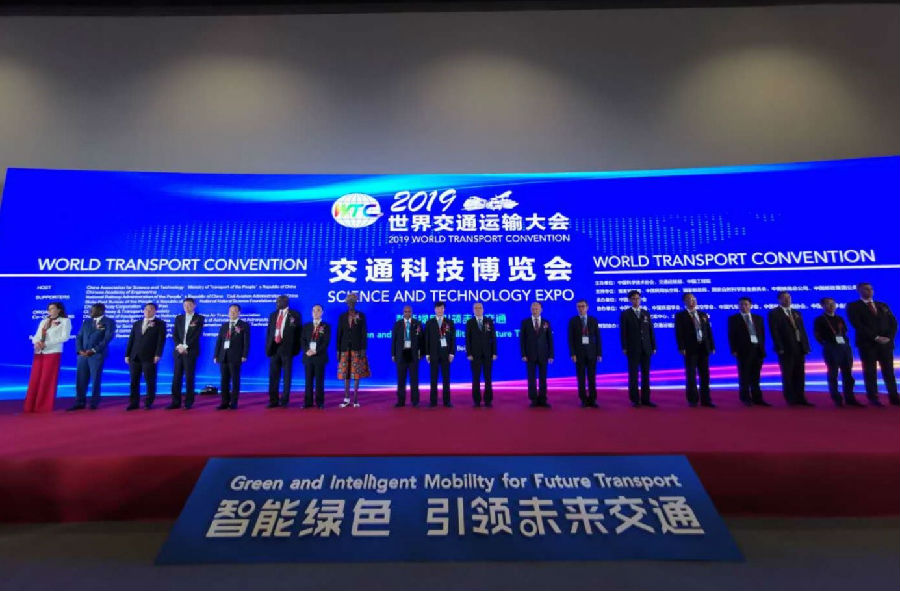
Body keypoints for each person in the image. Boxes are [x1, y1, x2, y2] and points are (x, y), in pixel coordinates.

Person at [846, 282, 899, 406]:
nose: (869, 291)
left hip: (886, 344)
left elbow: (893, 323)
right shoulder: (853, 306)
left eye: (870, 289)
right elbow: (858, 325)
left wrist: (889, 338)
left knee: (889, 371)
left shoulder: (882, 305)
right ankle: (873, 397)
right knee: (870, 372)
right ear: (859, 291)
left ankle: (894, 397)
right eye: (865, 289)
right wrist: (875, 337)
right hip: (867, 344)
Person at [24, 301, 72, 413]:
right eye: (48, 308)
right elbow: (37, 335)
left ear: (59, 310)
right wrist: (36, 343)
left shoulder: (65, 321)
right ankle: (30, 405)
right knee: (35, 379)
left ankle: (42, 406)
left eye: (52, 308)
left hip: (52, 352)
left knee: (47, 379)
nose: (49, 310)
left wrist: (46, 344)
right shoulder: (44, 321)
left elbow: (64, 337)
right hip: (39, 353)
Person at [813, 297, 861, 407]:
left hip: (844, 348)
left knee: (848, 374)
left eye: (833, 303)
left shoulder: (840, 318)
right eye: (828, 304)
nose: (831, 306)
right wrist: (827, 344)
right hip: (831, 348)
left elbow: (844, 332)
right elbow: (818, 335)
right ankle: (837, 398)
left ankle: (850, 398)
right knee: (833, 374)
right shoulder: (819, 319)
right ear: (823, 306)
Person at [768, 291, 813, 406]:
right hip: (786, 348)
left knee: (800, 374)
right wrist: (779, 347)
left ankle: (801, 397)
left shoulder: (796, 313)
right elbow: (774, 332)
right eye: (784, 298)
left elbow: (802, 331)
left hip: (799, 347)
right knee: (788, 374)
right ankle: (790, 398)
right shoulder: (774, 313)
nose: (787, 300)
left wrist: (806, 346)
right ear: (779, 300)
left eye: (789, 297)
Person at [69, 303, 115, 411]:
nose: (90, 312)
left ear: (100, 311)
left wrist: (94, 350)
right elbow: (79, 336)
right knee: (81, 379)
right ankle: (80, 402)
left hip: (97, 355)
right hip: (83, 355)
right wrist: (80, 350)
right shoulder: (87, 322)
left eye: (92, 310)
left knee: (95, 379)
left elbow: (107, 338)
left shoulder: (109, 322)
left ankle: (94, 402)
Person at [674, 293, 716, 408]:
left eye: (693, 299)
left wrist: (712, 346)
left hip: (703, 347)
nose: (692, 301)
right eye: (689, 299)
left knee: (705, 375)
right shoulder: (680, 316)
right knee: (691, 375)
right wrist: (681, 347)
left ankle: (706, 399)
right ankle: (692, 399)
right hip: (690, 348)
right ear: (684, 302)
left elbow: (708, 332)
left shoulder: (703, 315)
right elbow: (679, 333)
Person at [727, 297, 770, 406]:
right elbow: (731, 336)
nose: (743, 306)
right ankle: (745, 398)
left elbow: (762, 334)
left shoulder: (758, 318)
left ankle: (757, 398)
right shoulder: (734, 319)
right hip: (743, 351)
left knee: (756, 376)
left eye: (746, 304)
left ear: (750, 305)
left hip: (757, 350)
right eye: (741, 304)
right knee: (744, 376)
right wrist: (734, 349)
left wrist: (762, 348)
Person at [125, 302, 166, 410]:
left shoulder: (160, 324)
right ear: (143, 310)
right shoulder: (137, 323)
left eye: (151, 309)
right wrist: (127, 354)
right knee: (134, 381)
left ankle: (148, 402)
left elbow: (161, 341)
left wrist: (158, 354)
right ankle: (134, 403)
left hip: (150, 356)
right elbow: (131, 340)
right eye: (146, 309)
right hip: (135, 356)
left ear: (155, 311)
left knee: (150, 380)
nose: (148, 311)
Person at [619, 290, 656, 407]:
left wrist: (653, 346)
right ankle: (635, 399)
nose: (636, 300)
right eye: (634, 298)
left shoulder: (646, 313)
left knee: (646, 374)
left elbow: (650, 331)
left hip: (646, 348)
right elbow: (623, 332)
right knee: (633, 375)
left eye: (638, 298)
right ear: (630, 300)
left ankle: (646, 399)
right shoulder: (625, 314)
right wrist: (624, 347)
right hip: (633, 348)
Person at [265, 295, 302, 408]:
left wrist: (295, 349)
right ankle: (273, 400)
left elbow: (298, 334)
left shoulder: (295, 315)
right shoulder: (273, 315)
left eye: (279, 301)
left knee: (287, 377)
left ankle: (284, 400)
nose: (277, 303)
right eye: (276, 301)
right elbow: (269, 332)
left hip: (287, 349)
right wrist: (268, 347)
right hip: (274, 348)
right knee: (273, 376)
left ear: (286, 302)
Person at [168, 297, 204, 410]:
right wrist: (179, 346)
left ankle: (189, 402)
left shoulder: (199, 318)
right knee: (176, 377)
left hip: (190, 351)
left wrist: (185, 346)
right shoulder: (179, 318)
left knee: (189, 377)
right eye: (185, 305)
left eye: (189, 305)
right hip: (178, 351)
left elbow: (197, 335)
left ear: (194, 306)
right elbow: (175, 334)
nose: (187, 307)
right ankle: (175, 402)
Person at [337, 292, 370, 408]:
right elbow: (339, 334)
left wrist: (363, 348)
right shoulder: (342, 317)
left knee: (356, 374)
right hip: (344, 349)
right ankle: (346, 399)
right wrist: (338, 350)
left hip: (357, 349)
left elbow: (363, 333)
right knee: (346, 374)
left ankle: (355, 399)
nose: (351, 303)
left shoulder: (361, 316)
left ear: (356, 303)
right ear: (346, 303)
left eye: (353, 301)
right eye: (349, 301)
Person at [213, 304, 249, 410]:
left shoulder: (244, 325)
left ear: (239, 313)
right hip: (223, 356)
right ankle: (224, 402)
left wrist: (244, 355)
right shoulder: (224, 326)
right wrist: (216, 355)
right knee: (224, 380)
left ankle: (233, 403)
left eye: (235, 311)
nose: (232, 313)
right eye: (230, 311)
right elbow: (219, 341)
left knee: (235, 380)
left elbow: (246, 342)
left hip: (236, 356)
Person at [568, 299, 602, 408]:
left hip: (592, 353)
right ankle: (583, 399)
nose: (581, 308)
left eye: (583, 306)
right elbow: (570, 339)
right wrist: (573, 354)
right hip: (579, 354)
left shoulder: (593, 320)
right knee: (581, 378)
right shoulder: (573, 321)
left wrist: (599, 353)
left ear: (587, 307)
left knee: (592, 377)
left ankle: (592, 399)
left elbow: (598, 337)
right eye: (579, 306)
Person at [520, 301, 554, 408]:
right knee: (531, 378)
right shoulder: (525, 322)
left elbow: (550, 340)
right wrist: (523, 354)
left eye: (537, 308)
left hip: (543, 354)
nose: (535, 310)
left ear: (541, 310)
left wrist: (551, 355)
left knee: (543, 378)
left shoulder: (546, 323)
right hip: (530, 354)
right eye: (533, 308)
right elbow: (522, 340)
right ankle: (533, 399)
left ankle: (543, 399)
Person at [391, 305, 424, 407]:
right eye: (405, 311)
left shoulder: (417, 324)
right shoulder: (398, 324)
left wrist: (422, 353)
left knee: (414, 379)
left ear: (411, 312)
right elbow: (394, 340)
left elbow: (421, 340)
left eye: (409, 311)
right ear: (403, 313)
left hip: (413, 354)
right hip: (401, 354)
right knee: (401, 379)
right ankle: (401, 401)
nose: (407, 313)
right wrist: (393, 354)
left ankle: (415, 401)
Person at [466, 302, 497, 407]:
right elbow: (467, 339)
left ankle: (488, 400)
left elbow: (493, 338)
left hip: (488, 354)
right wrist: (469, 353)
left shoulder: (489, 321)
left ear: (483, 309)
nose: (478, 309)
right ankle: (477, 400)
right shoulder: (470, 322)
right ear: (473, 310)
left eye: (480, 308)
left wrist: (494, 352)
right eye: (476, 308)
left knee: (488, 377)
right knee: (476, 378)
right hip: (474, 355)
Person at [424, 301, 455, 407]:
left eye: (441, 308)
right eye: (437, 308)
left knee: (446, 378)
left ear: (444, 309)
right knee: (433, 378)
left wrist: (452, 353)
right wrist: (427, 354)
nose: (439, 310)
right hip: (433, 354)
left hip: (446, 354)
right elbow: (426, 339)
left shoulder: (449, 322)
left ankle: (447, 401)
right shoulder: (429, 323)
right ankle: (433, 401)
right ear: (435, 310)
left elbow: (453, 339)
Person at [301, 304, 330, 409]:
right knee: (308, 381)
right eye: (314, 310)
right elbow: (302, 340)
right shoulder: (306, 326)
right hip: (308, 357)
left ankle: (320, 402)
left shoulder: (326, 326)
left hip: (320, 357)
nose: (315, 312)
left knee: (319, 381)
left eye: (318, 310)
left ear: (322, 312)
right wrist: (307, 351)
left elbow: (326, 342)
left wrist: (316, 351)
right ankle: (308, 402)